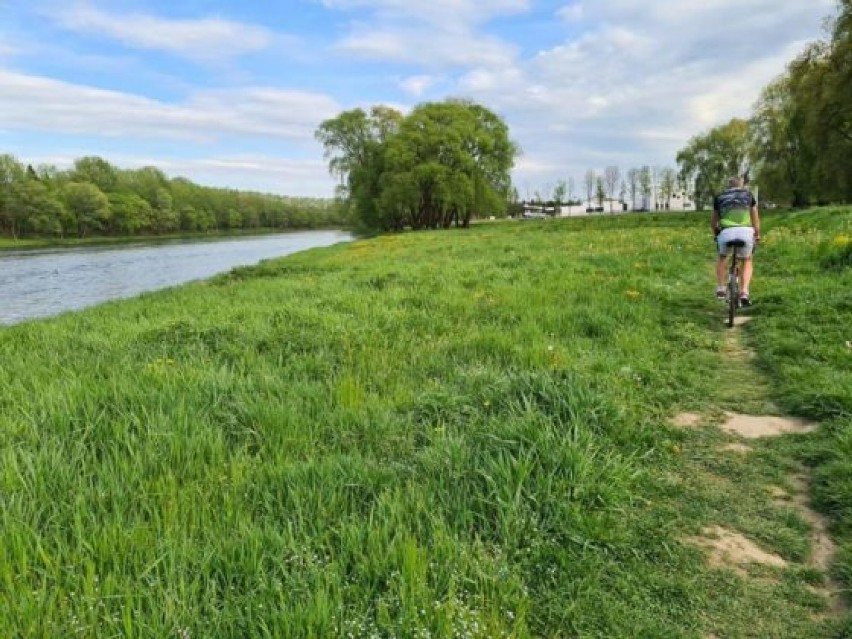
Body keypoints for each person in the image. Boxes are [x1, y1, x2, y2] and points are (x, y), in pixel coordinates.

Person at [711, 176, 760, 306]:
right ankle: (744, 292)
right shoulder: (748, 195)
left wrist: (716, 233)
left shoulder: (719, 197)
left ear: (729, 186)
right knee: (747, 259)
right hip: (745, 232)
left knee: (722, 257)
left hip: (726, 232)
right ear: (741, 185)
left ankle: (721, 288)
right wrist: (757, 234)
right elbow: (755, 218)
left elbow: (714, 222)